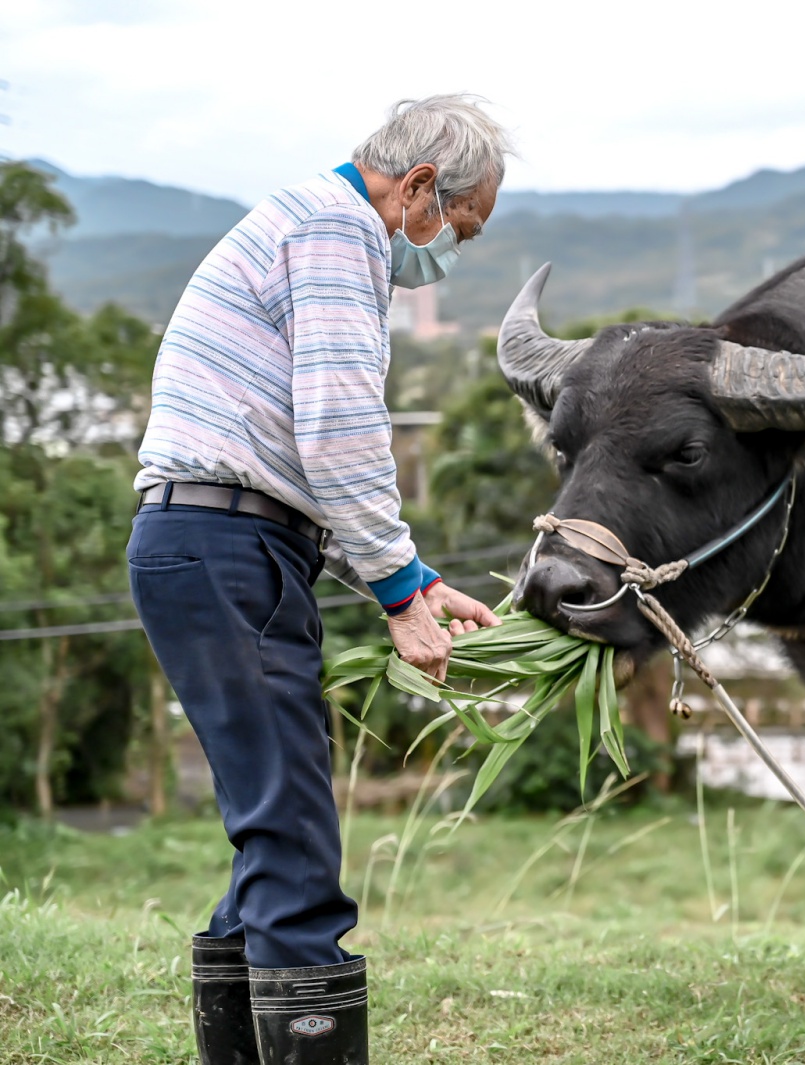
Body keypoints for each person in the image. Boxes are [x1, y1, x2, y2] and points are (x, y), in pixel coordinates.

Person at [128, 95, 511, 1065]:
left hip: (218, 541)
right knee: (294, 841)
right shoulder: (339, 232)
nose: (445, 251)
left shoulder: (303, 220)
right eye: (457, 227)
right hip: (223, 548)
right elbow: (338, 432)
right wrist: (394, 598)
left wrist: (416, 578)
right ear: (418, 188)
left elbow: (292, 459)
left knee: (275, 831)